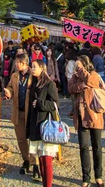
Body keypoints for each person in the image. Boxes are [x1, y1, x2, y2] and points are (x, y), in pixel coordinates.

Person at [68, 55, 104, 187]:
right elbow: (71, 88)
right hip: (81, 114)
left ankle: (98, 176)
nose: (77, 67)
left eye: (79, 64)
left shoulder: (93, 74)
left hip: (94, 114)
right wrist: (82, 85)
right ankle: (86, 177)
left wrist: (82, 72)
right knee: (83, 146)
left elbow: (91, 82)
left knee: (97, 146)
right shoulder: (75, 77)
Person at [4, 53, 40, 180]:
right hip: (18, 111)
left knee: (33, 139)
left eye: (18, 62)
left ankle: (35, 164)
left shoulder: (34, 74)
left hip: (31, 112)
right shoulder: (14, 75)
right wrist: (9, 92)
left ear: (24, 63)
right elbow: (9, 86)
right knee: (21, 138)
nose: (16, 64)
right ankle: (26, 160)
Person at [26, 59, 60, 187]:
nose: (32, 69)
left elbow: (56, 104)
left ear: (41, 68)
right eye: (32, 66)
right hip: (36, 125)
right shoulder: (34, 84)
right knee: (40, 159)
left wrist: (40, 103)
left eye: (34, 67)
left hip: (46, 125)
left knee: (46, 160)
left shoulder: (49, 84)